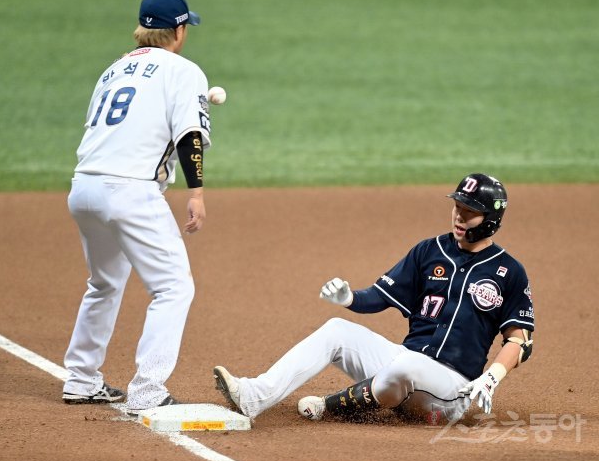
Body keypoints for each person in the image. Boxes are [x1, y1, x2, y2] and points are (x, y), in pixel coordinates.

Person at [213, 173, 534, 424]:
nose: (459, 217)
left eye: (470, 212)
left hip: (452, 388)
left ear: (490, 219)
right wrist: (350, 298)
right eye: (457, 207)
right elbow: (380, 296)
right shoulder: (429, 250)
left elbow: (520, 341)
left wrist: (491, 378)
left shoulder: (509, 270)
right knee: (337, 329)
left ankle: (331, 405)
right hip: (403, 366)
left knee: (406, 366)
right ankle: (254, 395)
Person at [62, 0, 212, 415]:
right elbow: (189, 136)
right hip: (129, 191)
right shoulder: (184, 71)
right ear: (178, 31)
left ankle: (81, 379)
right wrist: (196, 193)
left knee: (103, 283)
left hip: (84, 187)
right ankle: (147, 390)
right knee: (174, 287)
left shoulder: (113, 69)